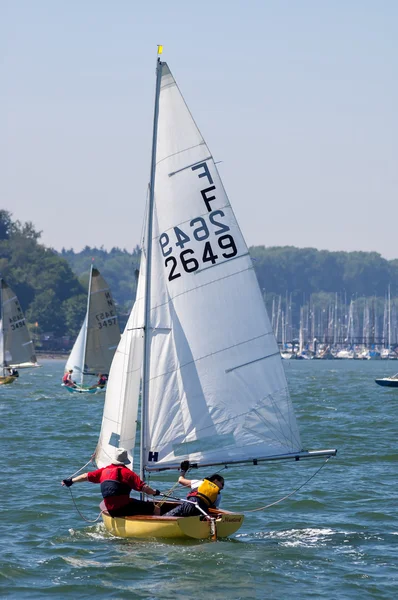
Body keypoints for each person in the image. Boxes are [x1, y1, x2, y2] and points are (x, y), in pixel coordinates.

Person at [61, 448, 161, 517]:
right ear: (125, 461)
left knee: (133, 502)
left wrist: (71, 481)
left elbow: (85, 476)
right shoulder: (128, 473)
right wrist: (155, 492)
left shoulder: (104, 471)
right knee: (155, 508)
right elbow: (145, 489)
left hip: (111, 510)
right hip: (123, 508)